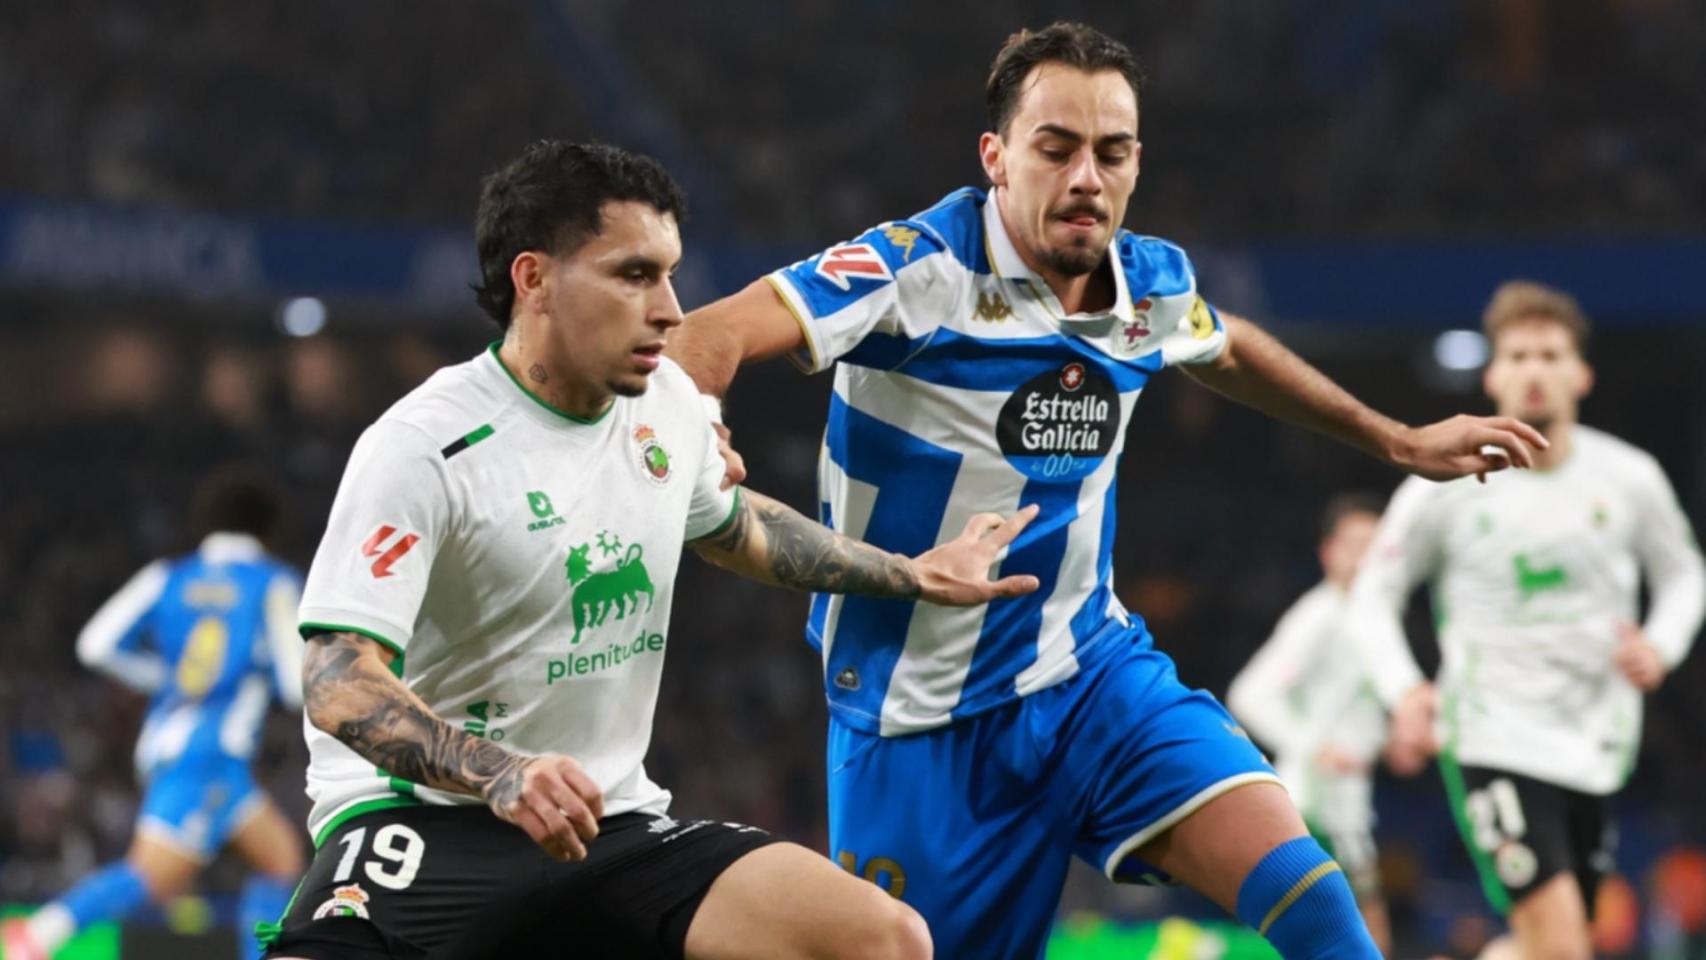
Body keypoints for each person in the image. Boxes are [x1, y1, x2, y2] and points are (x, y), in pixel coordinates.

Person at [665, 21, 1549, 959]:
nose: (1086, 176)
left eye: (1111, 152)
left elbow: (1225, 347)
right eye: (1056, 148)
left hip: (1091, 676)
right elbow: (706, 334)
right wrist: (697, 421)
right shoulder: (917, 268)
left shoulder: (1150, 285)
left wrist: (1394, 437)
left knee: (1311, 893)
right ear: (996, 158)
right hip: (915, 715)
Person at [259, 140, 1038, 960]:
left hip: (608, 826)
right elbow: (336, 681)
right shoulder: (425, 446)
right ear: (533, 279)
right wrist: (501, 773)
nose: (669, 308)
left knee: (884, 939)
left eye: (669, 274)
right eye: (633, 275)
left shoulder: (667, 403)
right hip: (428, 821)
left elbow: (733, 526)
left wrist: (909, 574)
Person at [1351, 280, 1706, 960]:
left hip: (1597, 742)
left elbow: (1685, 573)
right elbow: (1375, 590)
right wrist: (1404, 689)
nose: (1533, 371)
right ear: (1493, 375)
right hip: (1491, 735)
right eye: (1517, 356)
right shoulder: (1447, 480)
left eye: (1549, 355)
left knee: (1547, 948)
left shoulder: (1629, 477)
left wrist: (1661, 645)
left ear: (1581, 374)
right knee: (1563, 944)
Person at [2, 466, 308, 960]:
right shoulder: (274, 582)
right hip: (212, 752)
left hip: (169, 739)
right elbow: (296, 687)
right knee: (152, 876)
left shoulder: (168, 576)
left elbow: (94, 645)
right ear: (269, 529)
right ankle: (36, 936)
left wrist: (163, 678)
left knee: (279, 858)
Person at [1228, 494, 1409, 955]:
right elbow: (1250, 693)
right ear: (1328, 553)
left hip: (1348, 805)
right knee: (1359, 933)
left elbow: (1351, 705)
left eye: (1374, 546)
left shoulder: (1371, 619)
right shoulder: (1318, 616)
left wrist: (1387, 741)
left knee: (1359, 934)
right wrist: (1315, 745)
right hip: (1312, 805)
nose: (1365, 557)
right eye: (1354, 545)